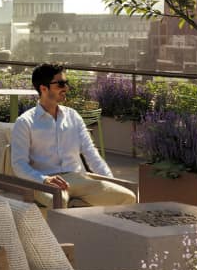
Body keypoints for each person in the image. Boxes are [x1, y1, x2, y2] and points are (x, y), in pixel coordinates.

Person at [9, 62, 136, 207]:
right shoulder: (25, 122)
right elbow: (19, 164)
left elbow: (91, 153)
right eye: (61, 84)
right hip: (46, 183)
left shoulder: (73, 116)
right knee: (59, 202)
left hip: (79, 179)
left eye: (66, 83)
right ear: (43, 88)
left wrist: (110, 180)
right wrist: (44, 179)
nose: (66, 88)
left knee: (128, 197)